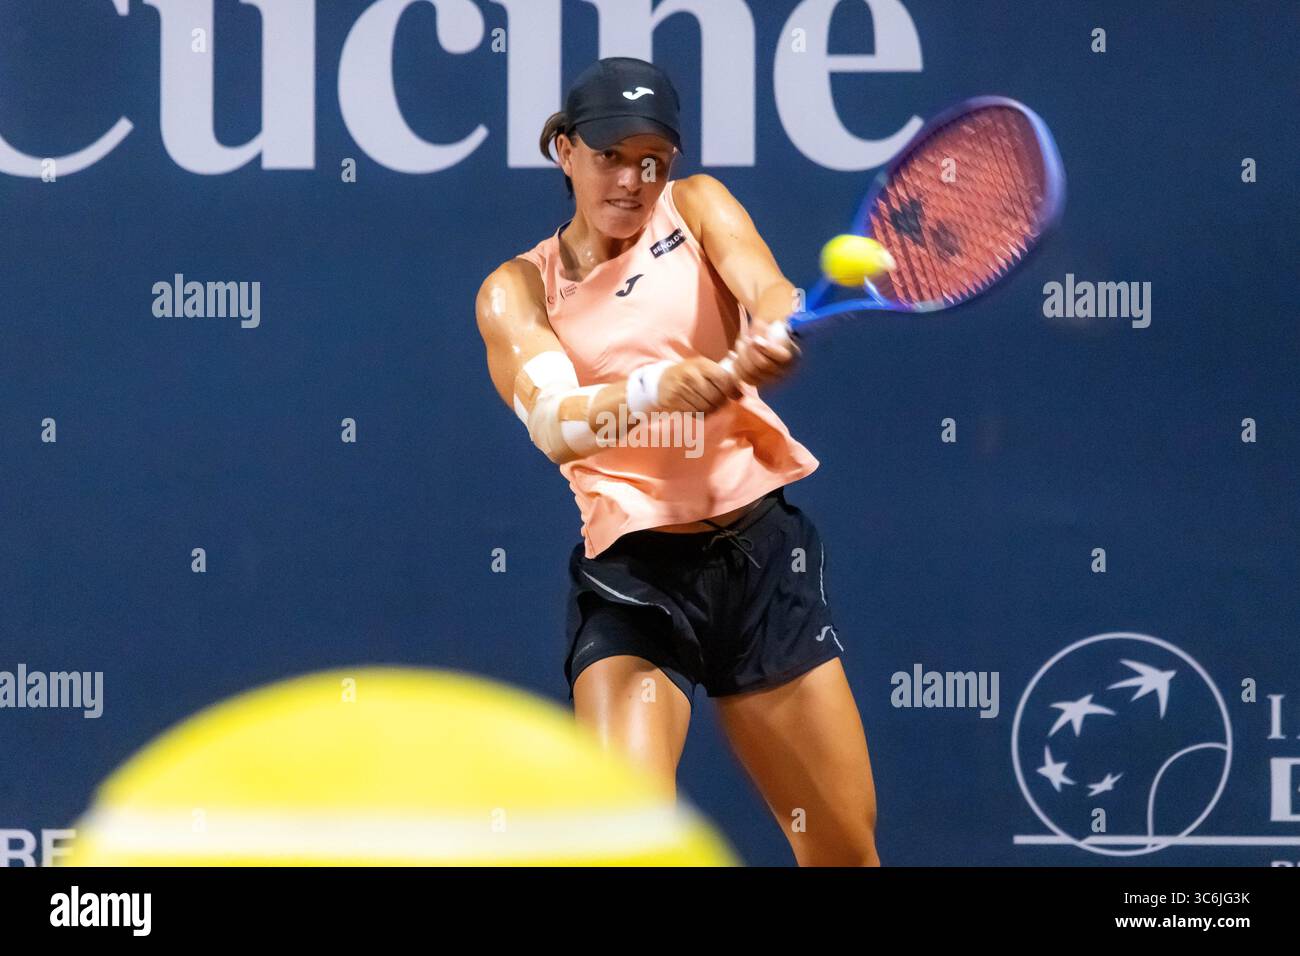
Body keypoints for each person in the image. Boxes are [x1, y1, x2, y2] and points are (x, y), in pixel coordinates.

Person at [475, 57, 879, 865]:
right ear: (564, 150)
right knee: (628, 841)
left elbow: (766, 286)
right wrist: (657, 386)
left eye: (651, 159)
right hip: (637, 582)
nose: (632, 178)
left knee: (842, 855)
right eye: (609, 155)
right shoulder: (516, 290)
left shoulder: (697, 208)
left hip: (762, 563)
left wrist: (771, 322)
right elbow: (556, 424)